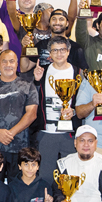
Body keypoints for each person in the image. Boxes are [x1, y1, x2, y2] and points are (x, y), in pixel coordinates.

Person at [32, 36, 83, 184]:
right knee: (46, 177)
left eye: (62, 50)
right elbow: (33, 99)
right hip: (46, 132)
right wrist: (36, 81)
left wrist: (73, 111)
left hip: (70, 134)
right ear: (49, 53)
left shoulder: (78, 73)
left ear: (68, 52)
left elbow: (83, 101)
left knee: (71, 176)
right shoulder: (42, 71)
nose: (59, 53)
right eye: (55, 50)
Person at [0, 50, 39, 181]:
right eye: (4, 61)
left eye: (11, 61)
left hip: (19, 148)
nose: (8, 64)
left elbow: (32, 114)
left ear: (17, 64)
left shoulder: (28, 86)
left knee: (17, 189)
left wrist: (11, 133)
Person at [21, 8, 87, 75]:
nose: (57, 22)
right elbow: (24, 68)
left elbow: (82, 74)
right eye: (54, 19)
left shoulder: (76, 48)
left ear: (67, 23)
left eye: (61, 19)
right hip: (44, 84)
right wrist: (24, 47)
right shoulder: (40, 45)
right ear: (49, 23)